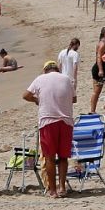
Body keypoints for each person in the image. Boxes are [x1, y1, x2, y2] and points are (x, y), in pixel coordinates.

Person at [24, 61, 77, 197]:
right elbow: (74, 99)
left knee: (49, 157)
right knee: (63, 157)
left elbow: (26, 95)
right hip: (66, 121)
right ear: (57, 69)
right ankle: (62, 188)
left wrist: (37, 99)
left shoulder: (40, 79)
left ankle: (52, 190)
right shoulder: (66, 79)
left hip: (48, 121)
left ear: (45, 70)